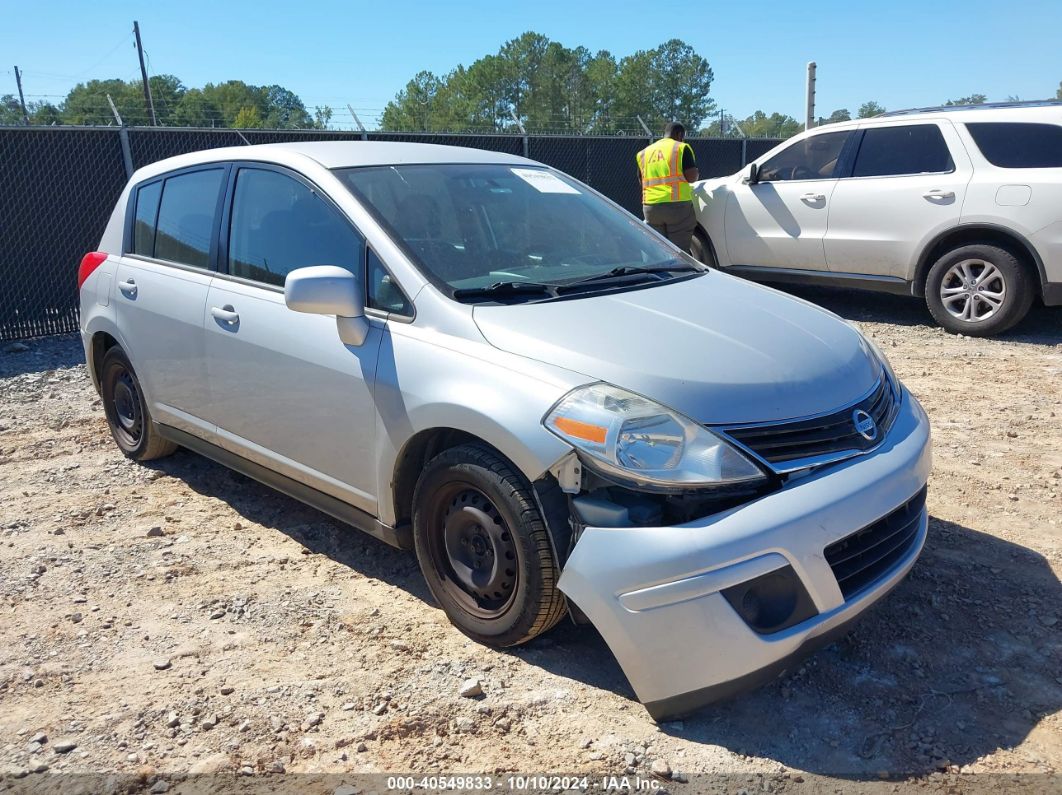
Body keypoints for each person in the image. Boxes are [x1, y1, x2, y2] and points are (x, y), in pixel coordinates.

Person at [636, 121, 700, 253]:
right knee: (678, 252)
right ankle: (678, 272)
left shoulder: (644, 153)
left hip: (650, 208)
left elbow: (641, 180)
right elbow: (692, 177)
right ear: (679, 134)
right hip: (677, 207)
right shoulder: (680, 148)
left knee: (658, 250)